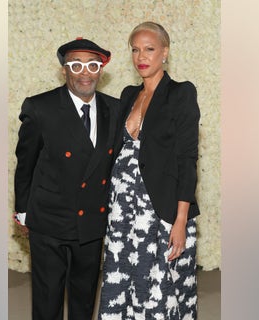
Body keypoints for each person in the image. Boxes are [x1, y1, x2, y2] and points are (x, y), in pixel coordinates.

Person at [13, 37, 121, 320]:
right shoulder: (40, 108)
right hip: (49, 220)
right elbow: (26, 163)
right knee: (47, 300)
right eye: (76, 65)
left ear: (101, 70)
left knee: (84, 300)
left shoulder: (116, 109)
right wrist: (24, 211)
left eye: (92, 65)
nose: (85, 72)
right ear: (65, 70)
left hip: (91, 223)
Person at [98, 22, 201, 319]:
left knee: (158, 286)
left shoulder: (180, 93)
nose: (141, 56)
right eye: (135, 49)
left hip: (160, 211)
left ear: (164, 53)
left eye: (149, 49)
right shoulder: (129, 94)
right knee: (124, 280)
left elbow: (187, 157)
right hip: (122, 210)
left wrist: (180, 220)